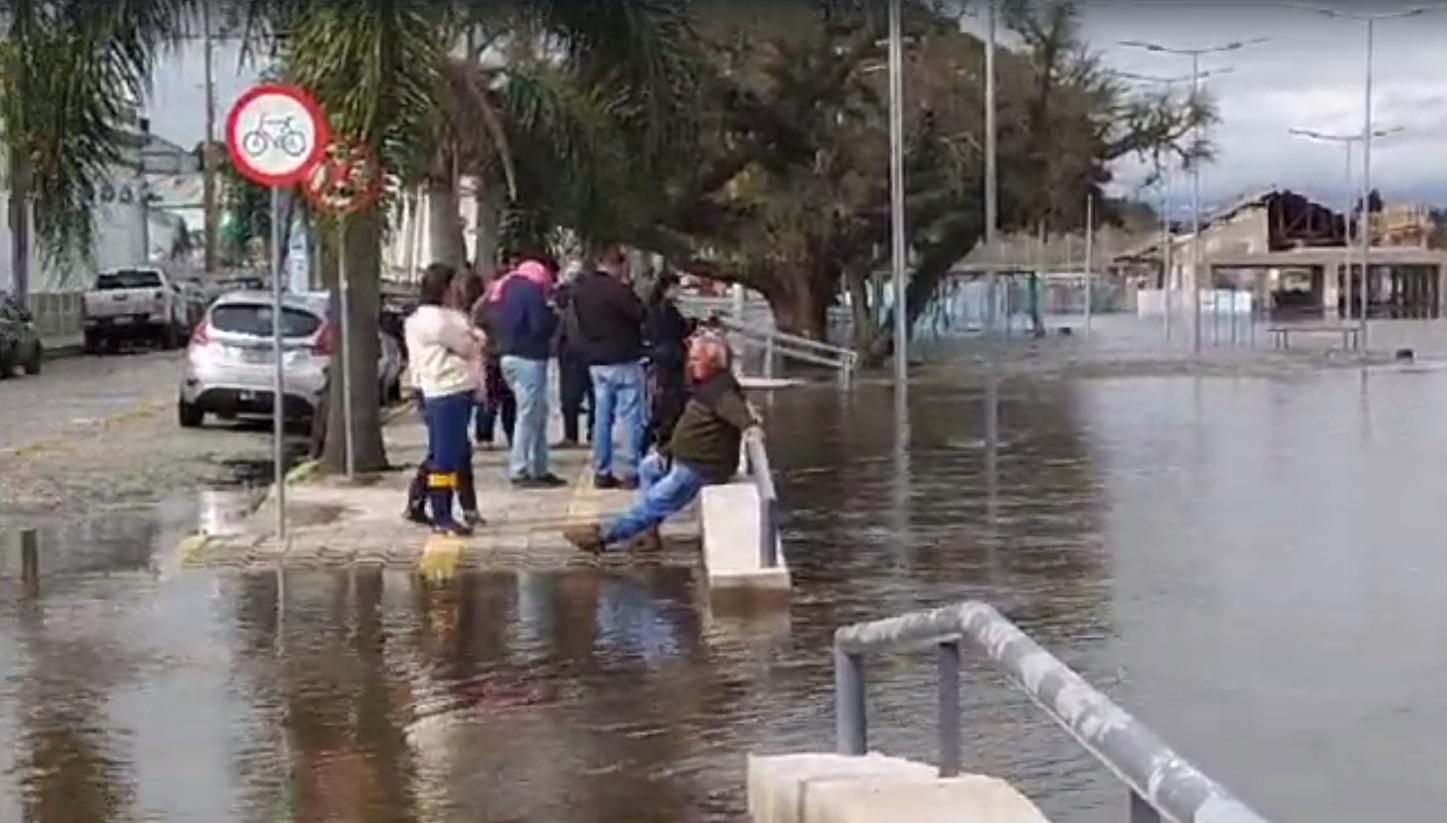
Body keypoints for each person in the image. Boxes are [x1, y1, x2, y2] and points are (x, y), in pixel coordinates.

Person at [564, 333, 762, 554]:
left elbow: (740, 414)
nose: (690, 363)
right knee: (648, 468)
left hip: (700, 466)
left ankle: (603, 536)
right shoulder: (708, 385)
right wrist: (666, 451)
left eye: (697, 359)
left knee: (657, 501)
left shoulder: (720, 391)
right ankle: (648, 533)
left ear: (713, 362)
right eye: (691, 358)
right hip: (683, 456)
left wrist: (751, 428)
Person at [404, 263, 483, 536]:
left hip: (437, 388)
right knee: (446, 456)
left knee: (447, 450)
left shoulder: (418, 319)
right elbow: (469, 346)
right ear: (446, 287)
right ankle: (442, 515)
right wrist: (474, 338)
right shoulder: (439, 321)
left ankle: (422, 503)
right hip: (448, 389)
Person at [571, 247, 646, 489]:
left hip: (596, 361)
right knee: (630, 416)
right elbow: (640, 313)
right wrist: (628, 287)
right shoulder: (618, 290)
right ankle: (629, 470)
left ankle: (601, 470)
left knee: (602, 417)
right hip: (623, 357)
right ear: (619, 265)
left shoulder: (582, 291)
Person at [494, 258, 567, 488]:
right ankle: (521, 468)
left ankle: (539, 466)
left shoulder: (507, 286)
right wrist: (553, 315)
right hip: (529, 357)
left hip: (508, 355)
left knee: (535, 413)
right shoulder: (533, 290)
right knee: (529, 415)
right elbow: (539, 325)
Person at [642, 272, 695, 451]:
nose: (679, 290)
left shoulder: (656, 308)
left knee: (663, 399)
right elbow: (679, 329)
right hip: (670, 358)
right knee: (671, 400)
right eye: (676, 287)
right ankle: (661, 438)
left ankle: (654, 437)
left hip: (661, 357)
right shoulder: (666, 309)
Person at [473, 273, 517, 448]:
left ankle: (485, 436)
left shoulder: (485, 305)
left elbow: (475, 322)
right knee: (506, 400)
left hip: (492, 356)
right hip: (501, 355)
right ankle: (510, 434)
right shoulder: (507, 304)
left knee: (493, 399)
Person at [555, 277, 594, 449]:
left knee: (570, 397)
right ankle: (593, 432)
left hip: (571, 353)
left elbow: (562, 332)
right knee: (593, 395)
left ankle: (571, 435)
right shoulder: (588, 303)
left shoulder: (566, 307)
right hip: (589, 351)